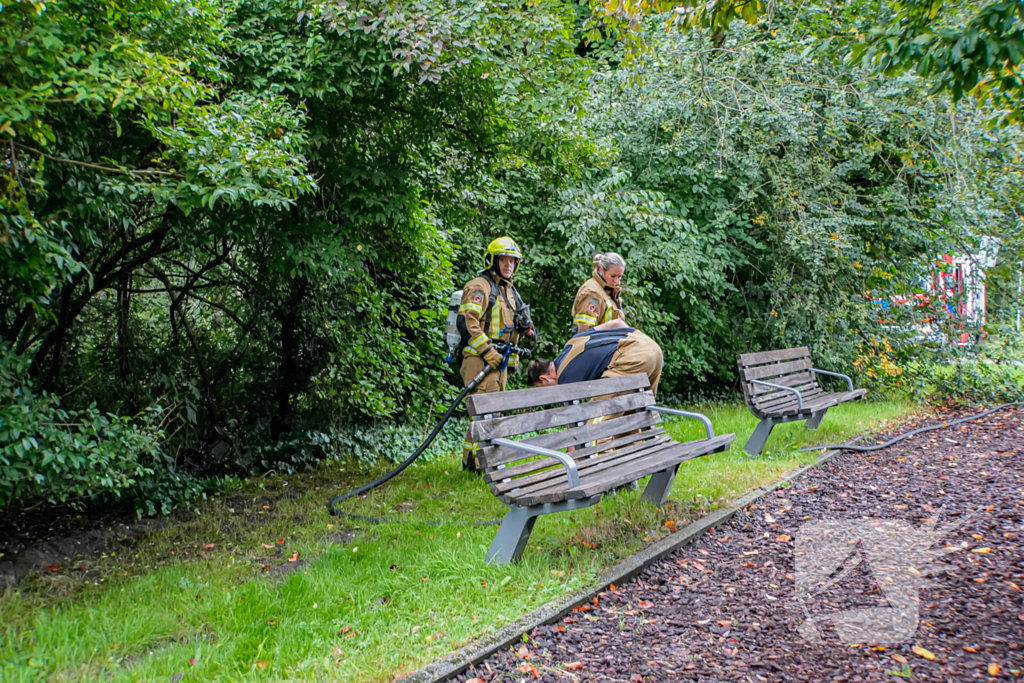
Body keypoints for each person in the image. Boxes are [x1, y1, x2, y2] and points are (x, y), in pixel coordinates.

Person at [457, 236, 534, 471]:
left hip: (500, 362)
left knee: (488, 413)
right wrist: (487, 351)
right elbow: (467, 322)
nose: (508, 265)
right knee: (484, 413)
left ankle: (472, 462)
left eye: (512, 261)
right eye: (503, 260)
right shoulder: (480, 286)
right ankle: (484, 464)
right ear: (493, 260)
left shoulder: (509, 291)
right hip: (480, 359)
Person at [525, 319, 662, 396]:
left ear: (544, 378)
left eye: (541, 387)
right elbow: (617, 323)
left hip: (633, 356)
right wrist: (636, 343)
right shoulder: (572, 343)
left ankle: (603, 447)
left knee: (601, 412)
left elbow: (571, 416)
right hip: (651, 347)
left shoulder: (565, 377)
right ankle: (636, 445)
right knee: (635, 408)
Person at [571, 252, 626, 334]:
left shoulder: (609, 290)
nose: (616, 280)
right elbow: (584, 330)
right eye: (613, 276)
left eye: (619, 276)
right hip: (597, 344)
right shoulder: (592, 293)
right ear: (601, 269)